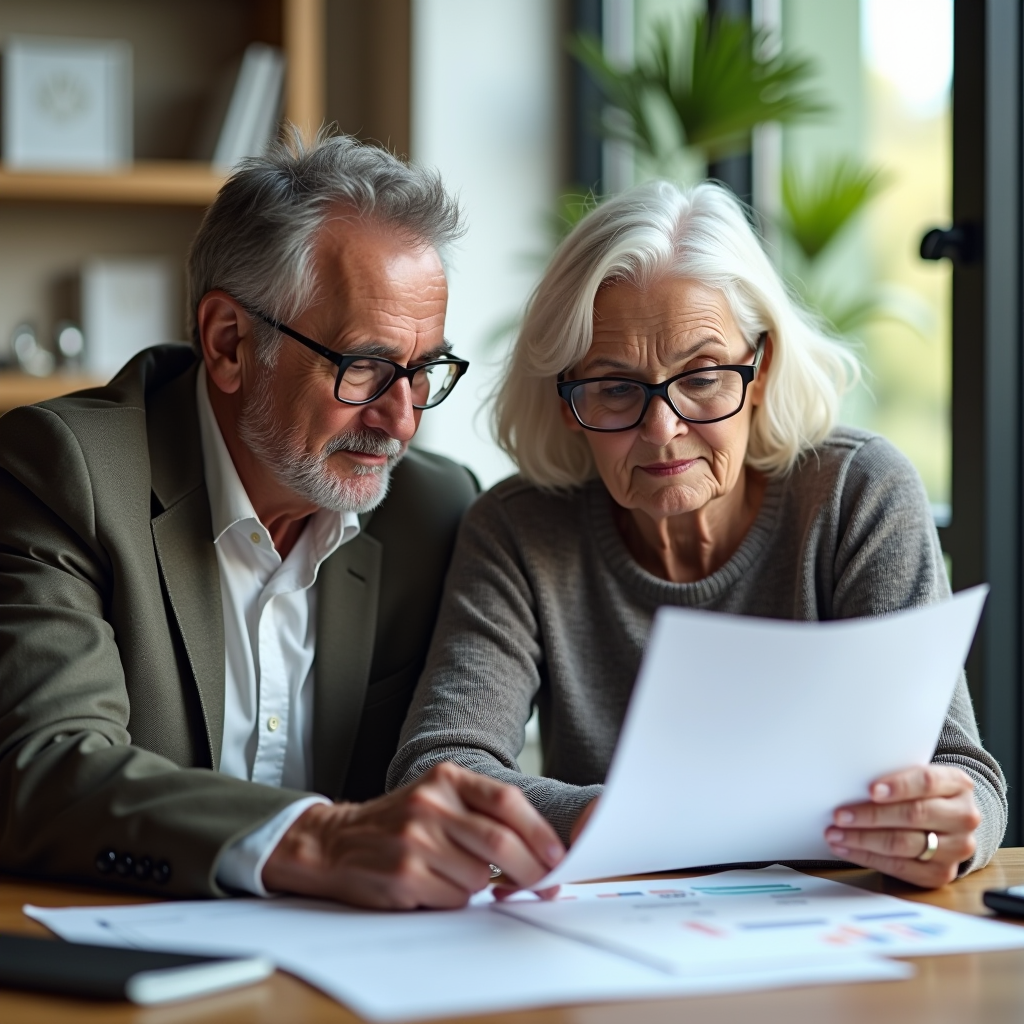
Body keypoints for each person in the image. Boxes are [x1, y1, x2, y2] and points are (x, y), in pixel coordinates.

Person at [389, 179, 1006, 889]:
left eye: (704, 377)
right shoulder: (520, 528)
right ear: (568, 400)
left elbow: (962, 772)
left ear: (762, 368)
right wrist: (602, 820)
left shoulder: (856, 494)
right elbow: (436, 770)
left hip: (839, 920)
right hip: (628, 930)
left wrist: (952, 824)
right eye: (616, 388)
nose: (663, 429)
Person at [0, 132, 564, 909]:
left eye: (425, 370)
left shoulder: (437, 511)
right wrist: (318, 838)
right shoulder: (65, 474)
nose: (402, 421)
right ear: (230, 343)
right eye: (365, 366)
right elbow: (45, 768)